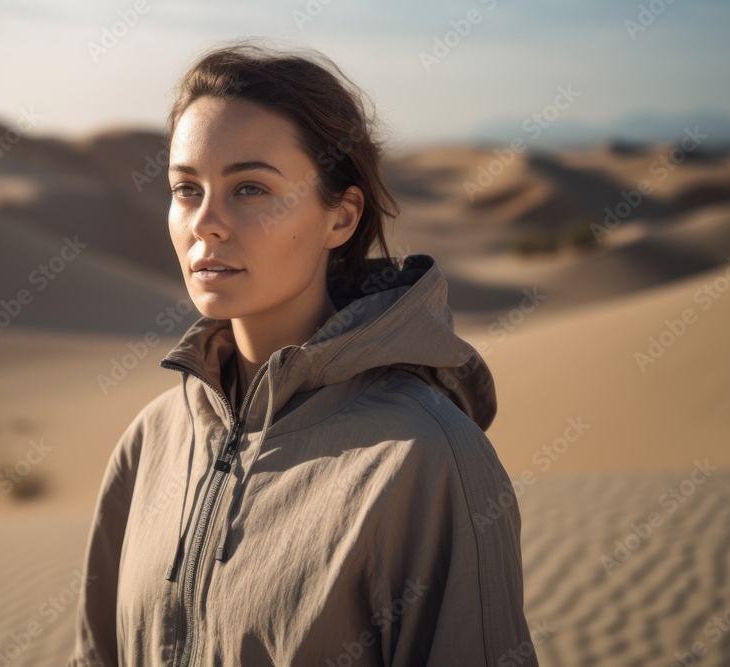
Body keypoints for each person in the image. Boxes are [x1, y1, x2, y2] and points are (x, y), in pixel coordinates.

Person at [67, 39, 537, 667]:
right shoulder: (152, 440)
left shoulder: (425, 459)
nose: (207, 222)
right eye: (186, 189)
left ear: (340, 218)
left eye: (251, 189)